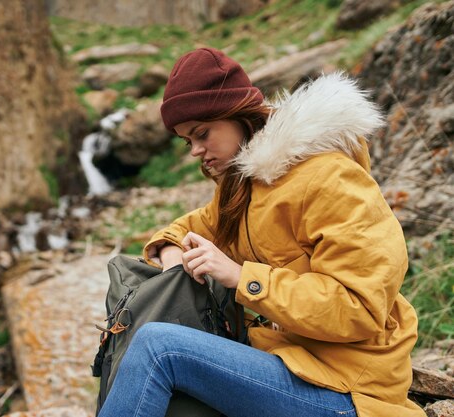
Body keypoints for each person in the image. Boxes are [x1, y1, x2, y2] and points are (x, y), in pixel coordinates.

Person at [97, 48, 425, 417]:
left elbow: (359, 309)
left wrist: (243, 278)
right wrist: (173, 253)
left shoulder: (331, 179)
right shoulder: (243, 188)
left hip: (348, 392)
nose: (195, 151)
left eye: (202, 133)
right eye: (187, 141)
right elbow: (189, 226)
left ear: (238, 115)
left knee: (160, 348)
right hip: (285, 365)